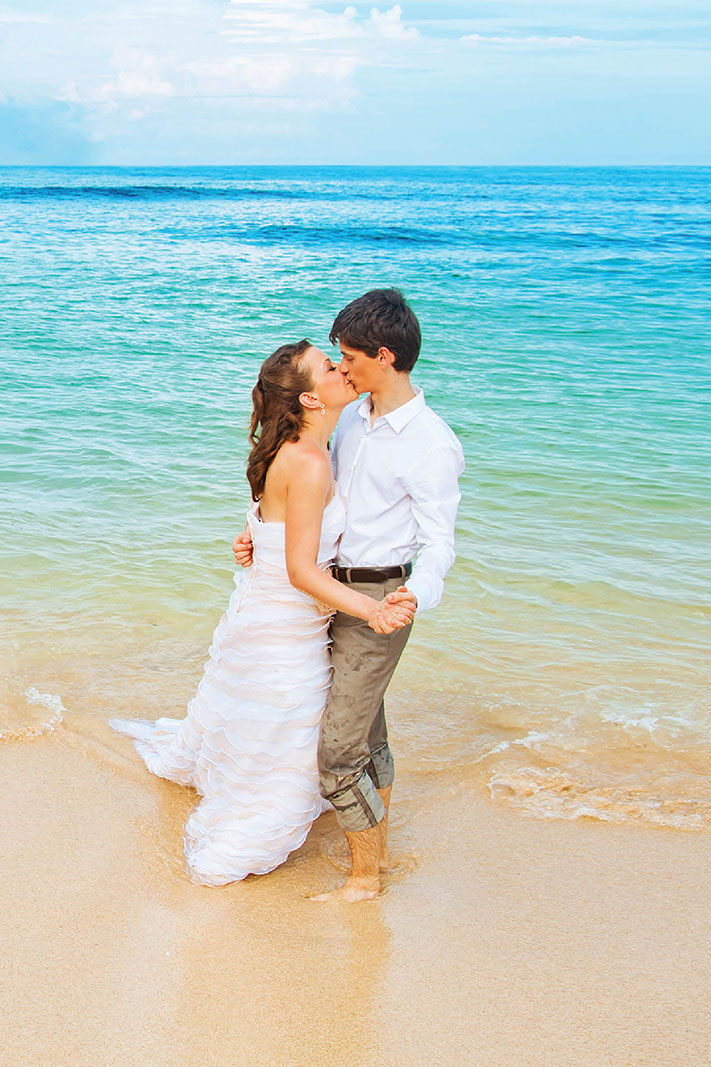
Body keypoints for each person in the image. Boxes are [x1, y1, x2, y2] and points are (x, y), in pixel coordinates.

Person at [110, 339, 414, 887]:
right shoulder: (311, 460)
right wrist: (374, 612)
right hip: (284, 623)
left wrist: (251, 540)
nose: (342, 368)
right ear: (310, 399)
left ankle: (245, 786)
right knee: (286, 734)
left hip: (265, 611)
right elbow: (302, 572)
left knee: (267, 724)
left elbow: (268, 525)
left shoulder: (295, 446)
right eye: (329, 366)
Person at [234, 289, 465, 901]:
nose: (342, 366)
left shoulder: (432, 444)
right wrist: (262, 531)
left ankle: (364, 878)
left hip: (380, 597)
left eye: (348, 356)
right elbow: (306, 498)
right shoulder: (350, 422)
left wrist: (414, 595)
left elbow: (441, 543)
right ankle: (378, 857)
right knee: (369, 732)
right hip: (329, 592)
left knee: (337, 749)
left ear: (383, 357)